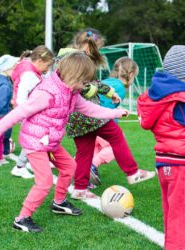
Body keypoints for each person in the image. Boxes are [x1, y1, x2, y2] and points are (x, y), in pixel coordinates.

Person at [0, 52, 129, 233]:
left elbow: (89, 109)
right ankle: (22, 219)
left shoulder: (72, 92)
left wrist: (115, 113)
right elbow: (19, 112)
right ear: (74, 76)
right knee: (44, 182)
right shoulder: (47, 93)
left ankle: (59, 203)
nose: (87, 86)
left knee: (70, 167)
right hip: (35, 142)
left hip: (50, 142)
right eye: (85, 82)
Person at [57, 29, 155, 199]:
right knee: (116, 135)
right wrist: (112, 108)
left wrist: (110, 93)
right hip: (89, 114)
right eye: (97, 47)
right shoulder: (79, 61)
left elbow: (93, 83)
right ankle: (132, 172)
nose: (98, 52)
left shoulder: (69, 59)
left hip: (75, 118)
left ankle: (80, 189)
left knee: (84, 152)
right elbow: (86, 87)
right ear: (88, 46)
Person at [137, 45, 185, 250]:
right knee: (183, 216)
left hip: (166, 163)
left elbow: (174, 127)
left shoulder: (163, 97)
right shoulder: (180, 100)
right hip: (180, 167)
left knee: (173, 214)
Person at [89, 57, 138, 187]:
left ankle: (85, 176)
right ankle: (92, 165)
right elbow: (105, 105)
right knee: (115, 146)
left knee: (95, 147)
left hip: (88, 120)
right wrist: (114, 114)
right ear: (131, 74)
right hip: (100, 121)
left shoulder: (107, 81)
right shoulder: (120, 88)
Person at [10, 45, 54, 179]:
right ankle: (19, 167)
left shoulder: (31, 71)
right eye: (47, 66)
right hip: (28, 112)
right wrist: (25, 111)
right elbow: (22, 94)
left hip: (28, 110)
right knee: (34, 138)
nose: (47, 70)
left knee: (41, 136)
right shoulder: (30, 75)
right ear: (39, 61)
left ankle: (40, 160)